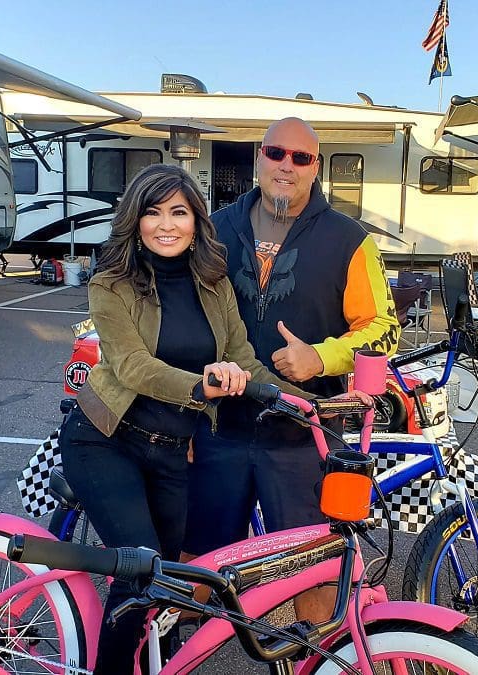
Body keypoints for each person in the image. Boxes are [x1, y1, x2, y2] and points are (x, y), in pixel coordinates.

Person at [60, 163, 311, 674]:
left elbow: (244, 358)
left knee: (171, 580)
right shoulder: (112, 283)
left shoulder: (214, 284)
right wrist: (201, 387)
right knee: (143, 573)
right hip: (107, 440)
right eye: (152, 213)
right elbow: (131, 366)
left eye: (178, 211)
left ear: (196, 220)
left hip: (172, 451)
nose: (166, 224)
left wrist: (311, 405)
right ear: (135, 220)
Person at [184, 117, 399, 623]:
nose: (287, 166)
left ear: (316, 167)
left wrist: (321, 357)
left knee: (317, 575)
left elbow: (384, 328)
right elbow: (182, 320)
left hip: (304, 437)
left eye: (300, 158)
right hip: (219, 429)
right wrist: (183, 409)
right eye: (277, 153)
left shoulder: (351, 241)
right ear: (259, 156)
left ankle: (320, 658)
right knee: (197, 568)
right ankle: (179, 656)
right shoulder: (214, 230)